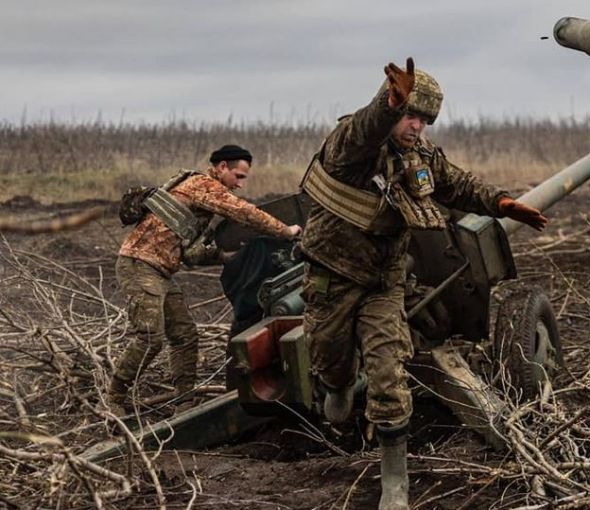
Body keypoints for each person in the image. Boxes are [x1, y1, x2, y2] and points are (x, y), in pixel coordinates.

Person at [299, 58, 547, 510]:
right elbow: (367, 128)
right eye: (412, 116)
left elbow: (458, 185)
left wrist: (505, 203)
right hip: (331, 275)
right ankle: (335, 385)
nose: (418, 126)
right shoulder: (354, 146)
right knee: (330, 358)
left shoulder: (422, 156)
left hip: (384, 281)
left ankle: (395, 480)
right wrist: (389, 103)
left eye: (425, 120)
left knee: (389, 374)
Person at [107, 145, 302, 416]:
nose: (240, 184)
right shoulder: (202, 185)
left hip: (159, 271)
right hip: (139, 265)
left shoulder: (196, 191)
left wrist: (225, 256)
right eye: (238, 176)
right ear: (222, 167)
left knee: (185, 335)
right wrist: (286, 230)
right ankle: (113, 399)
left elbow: (191, 253)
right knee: (151, 337)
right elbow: (244, 212)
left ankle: (184, 401)